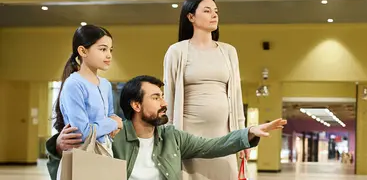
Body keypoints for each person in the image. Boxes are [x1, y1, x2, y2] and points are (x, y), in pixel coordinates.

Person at [45, 75, 287, 180]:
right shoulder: (113, 138)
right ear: (136, 104)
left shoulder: (172, 137)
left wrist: (249, 133)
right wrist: (56, 146)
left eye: (162, 96)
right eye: (156, 97)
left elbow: (212, 146)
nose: (164, 103)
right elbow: (76, 167)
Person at [163, 0, 246, 179]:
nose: (214, 15)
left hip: (224, 134)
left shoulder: (229, 51)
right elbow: (168, 96)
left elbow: (237, 96)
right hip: (189, 135)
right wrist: (167, 139)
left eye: (216, 11)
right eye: (207, 11)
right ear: (191, 17)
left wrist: (242, 137)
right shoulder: (176, 51)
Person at [53, 24, 123, 157]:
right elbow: (82, 132)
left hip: (105, 152)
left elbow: (111, 117)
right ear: (83, 51)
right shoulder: (74, 84)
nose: (109, 55)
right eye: (103, 49)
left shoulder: (106, 85)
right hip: (82, 156)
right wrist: (114, 123)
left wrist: (113, 124)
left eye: (110, 50)